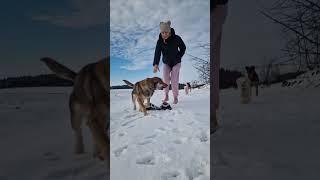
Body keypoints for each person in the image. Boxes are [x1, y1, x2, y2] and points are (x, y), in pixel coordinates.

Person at [153, 20, 186, 104]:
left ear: (169, 31)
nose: (164, 34)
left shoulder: (176, 38)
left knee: (174, 80)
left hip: (176, 62)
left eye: (166, 32)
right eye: (162, 32)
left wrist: (179, 56)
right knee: (165, 80)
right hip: (166, 63)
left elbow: (183, 47)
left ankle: (175, 97)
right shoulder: (160, 41)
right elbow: (157, 52)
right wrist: (156, 64)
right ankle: (166, 95)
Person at [212, 0, 228, 133]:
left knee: (212, 61)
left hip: (214, 7)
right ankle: (212, 117)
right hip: (219, 7)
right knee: (214, 62)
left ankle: (211, 117)